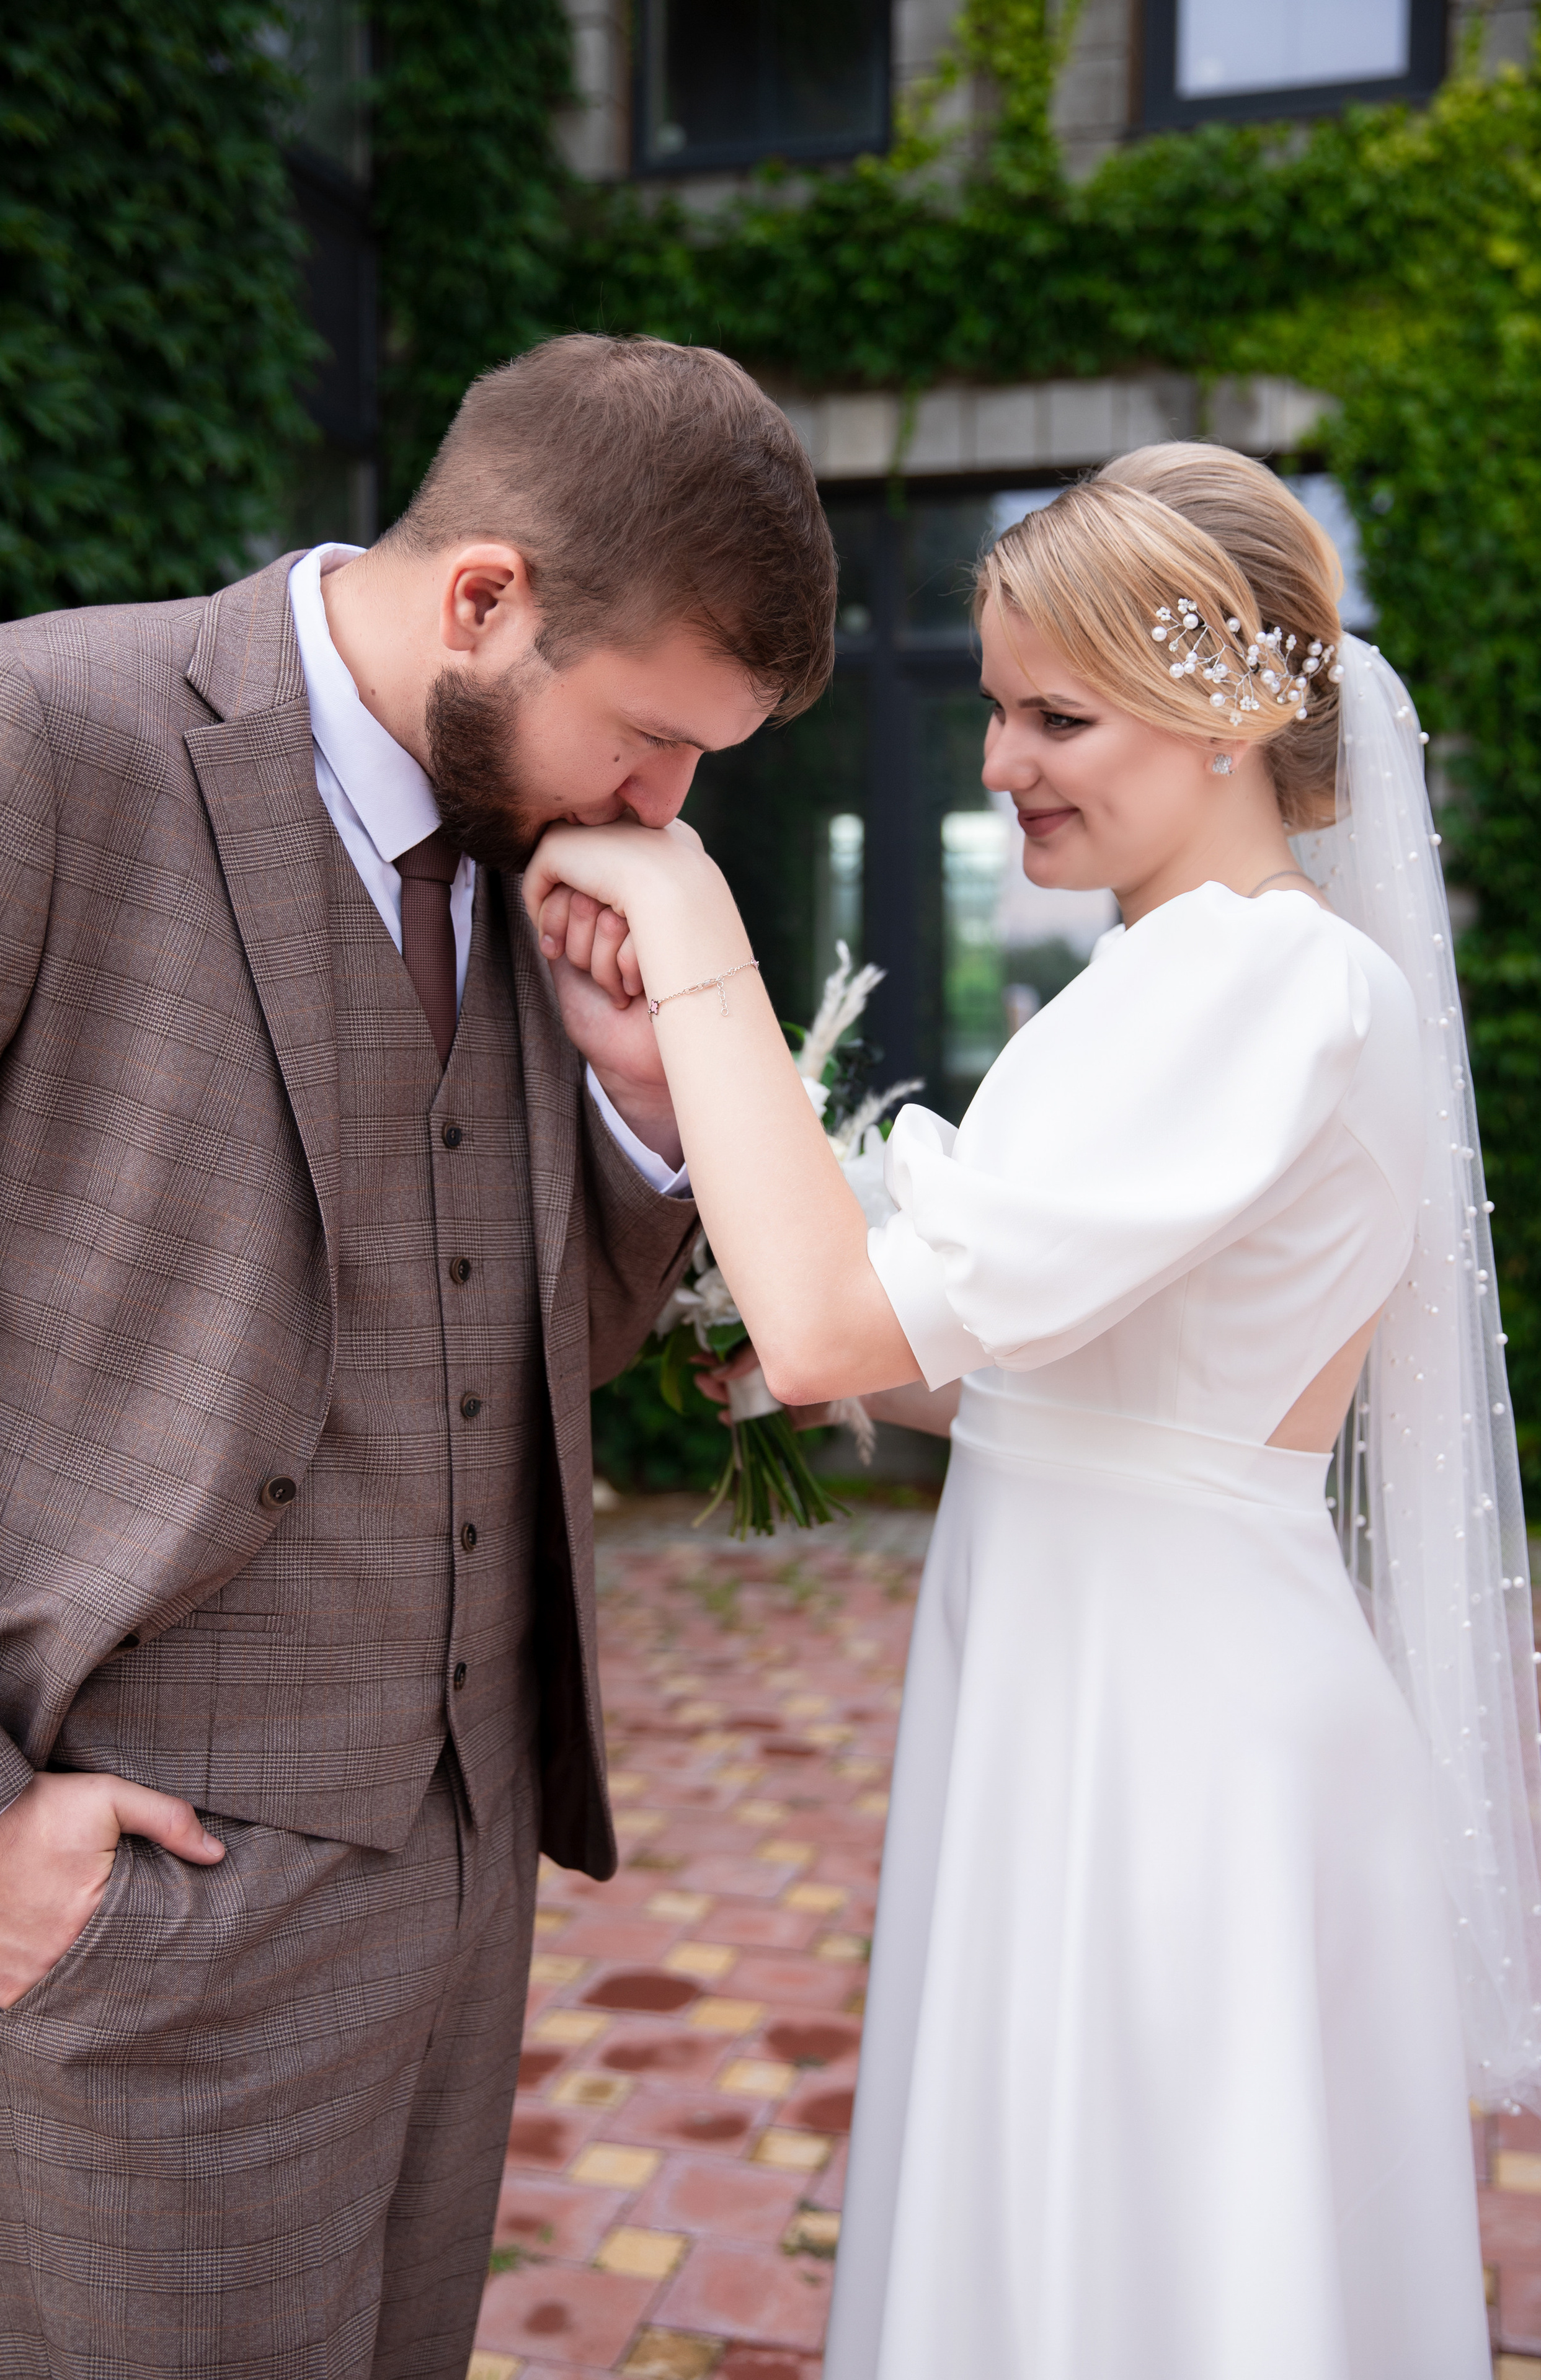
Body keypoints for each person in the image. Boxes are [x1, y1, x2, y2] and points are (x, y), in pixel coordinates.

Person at [529, 442, 1541, 2378]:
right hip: (1094, 1655)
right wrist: (768, 1320)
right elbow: (1063, 1385)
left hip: (1166, 1714)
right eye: (997, 710)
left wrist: (688, 924)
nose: (1002, 766)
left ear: (1237, 707)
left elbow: (851, 1316)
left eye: (1056, 715)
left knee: (1151, 2237)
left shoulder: (1262, 983)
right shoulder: (1169, 985)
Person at [0, 333, 835, 2376]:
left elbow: (519, 1351)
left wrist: (633, 1107)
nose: (665, 812)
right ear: (484, 597)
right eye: (649, 739)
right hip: (129, 1907)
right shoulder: (32, 739)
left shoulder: (536, 850)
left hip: (456, 1887)